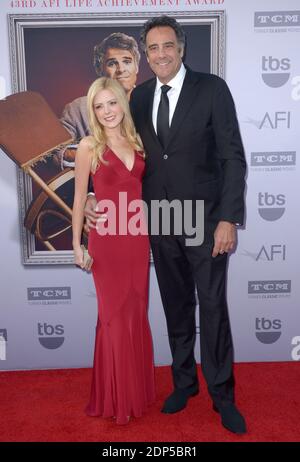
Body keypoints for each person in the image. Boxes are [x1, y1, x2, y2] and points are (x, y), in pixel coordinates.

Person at [85, 16, 247, 434]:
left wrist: (228, 217)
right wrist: (89, 196)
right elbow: (109, 148)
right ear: (147, 53)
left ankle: (222, 395)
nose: (161, 54)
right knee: (176, 306)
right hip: (157, 220)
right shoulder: (135, 98)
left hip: (204, 220)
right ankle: (184, 384)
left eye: (168, 45)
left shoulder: (211, 89)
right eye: (153, 48)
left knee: (212, 307)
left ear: (182, 48)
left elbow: (233, 157)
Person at [72, 77, 155, 425]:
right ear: (92, 111)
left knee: (136, 312)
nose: (107, 111)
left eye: (112, 103)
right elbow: (79, 198)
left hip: (136, 239)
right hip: (106, 242)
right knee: (113, 317)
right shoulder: (89, 146)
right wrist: (77, 244)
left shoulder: (139, 143)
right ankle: (115, 399)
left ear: (123, 103)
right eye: (99, 106)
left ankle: (135, 393)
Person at [59, 32, 140, 167]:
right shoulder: (78, 109)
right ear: (100, 69)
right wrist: (93, 154)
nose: (121, 69)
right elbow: (57, 151)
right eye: (112, 63)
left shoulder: (153, 104)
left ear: (136, 67)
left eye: (127, 61)